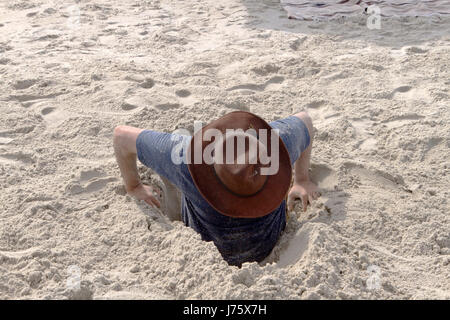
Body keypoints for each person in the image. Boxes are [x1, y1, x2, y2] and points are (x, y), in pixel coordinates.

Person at [113, 111, 319, 266]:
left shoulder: (185, 157)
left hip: (206, 244)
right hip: (268, 243)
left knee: (178, 153)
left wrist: (134, 187)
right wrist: (301, 179)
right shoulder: (277, 149)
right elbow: (306, 121)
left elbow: (121, 136)